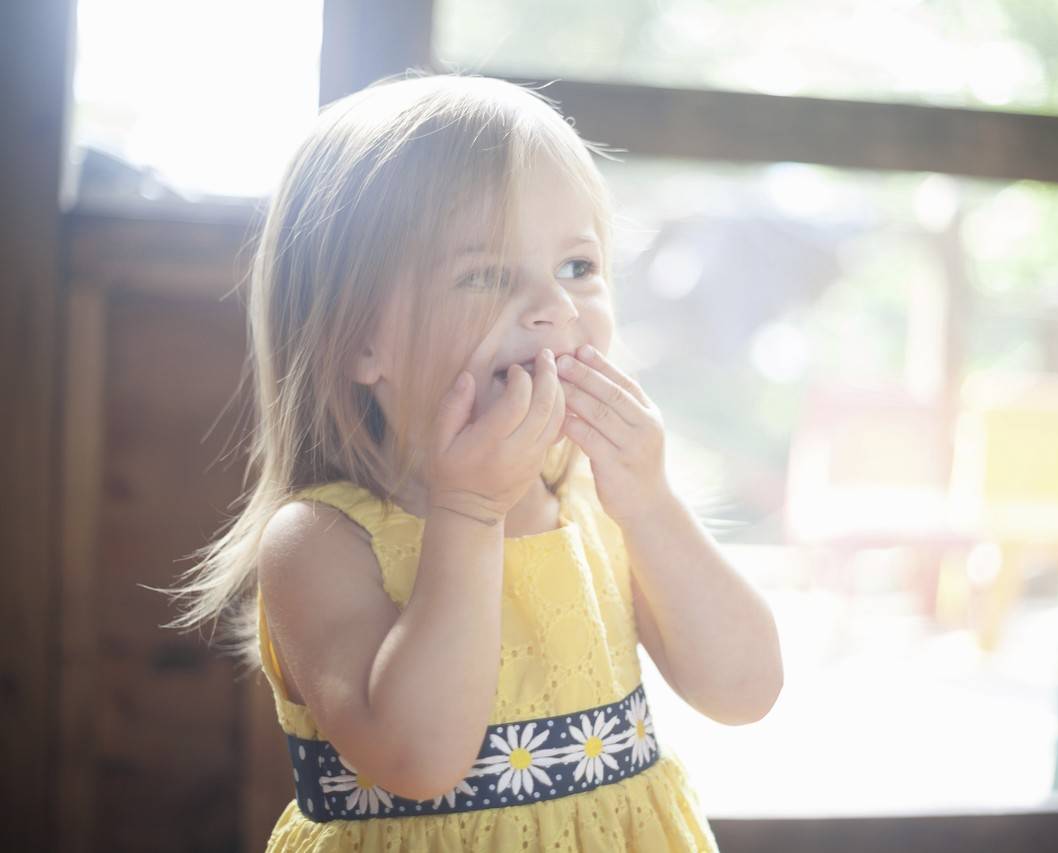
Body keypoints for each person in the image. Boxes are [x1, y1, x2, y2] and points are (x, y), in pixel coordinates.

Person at [161, 71, 783, 852]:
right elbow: (419, 759)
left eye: (578, 267)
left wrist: (653, 503)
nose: (554, 307)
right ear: (359, 339)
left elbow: (745, 689)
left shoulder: (596, 502)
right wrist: (468, 512)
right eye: (485, 275)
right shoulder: (319, 540)